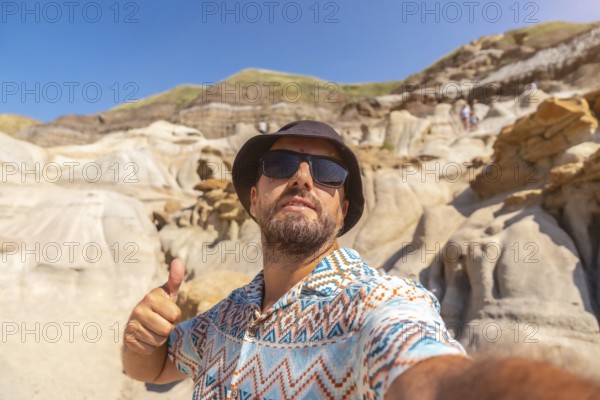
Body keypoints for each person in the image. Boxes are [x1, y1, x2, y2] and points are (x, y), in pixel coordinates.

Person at [122, 120, 600, 399]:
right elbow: (155, 370)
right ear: (253, 196)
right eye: (282, 164)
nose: (303, 179)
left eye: (328, 172)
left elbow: (429, 373)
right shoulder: (228, 313)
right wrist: (141, 338)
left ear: (343, 208)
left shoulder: (376, 302)